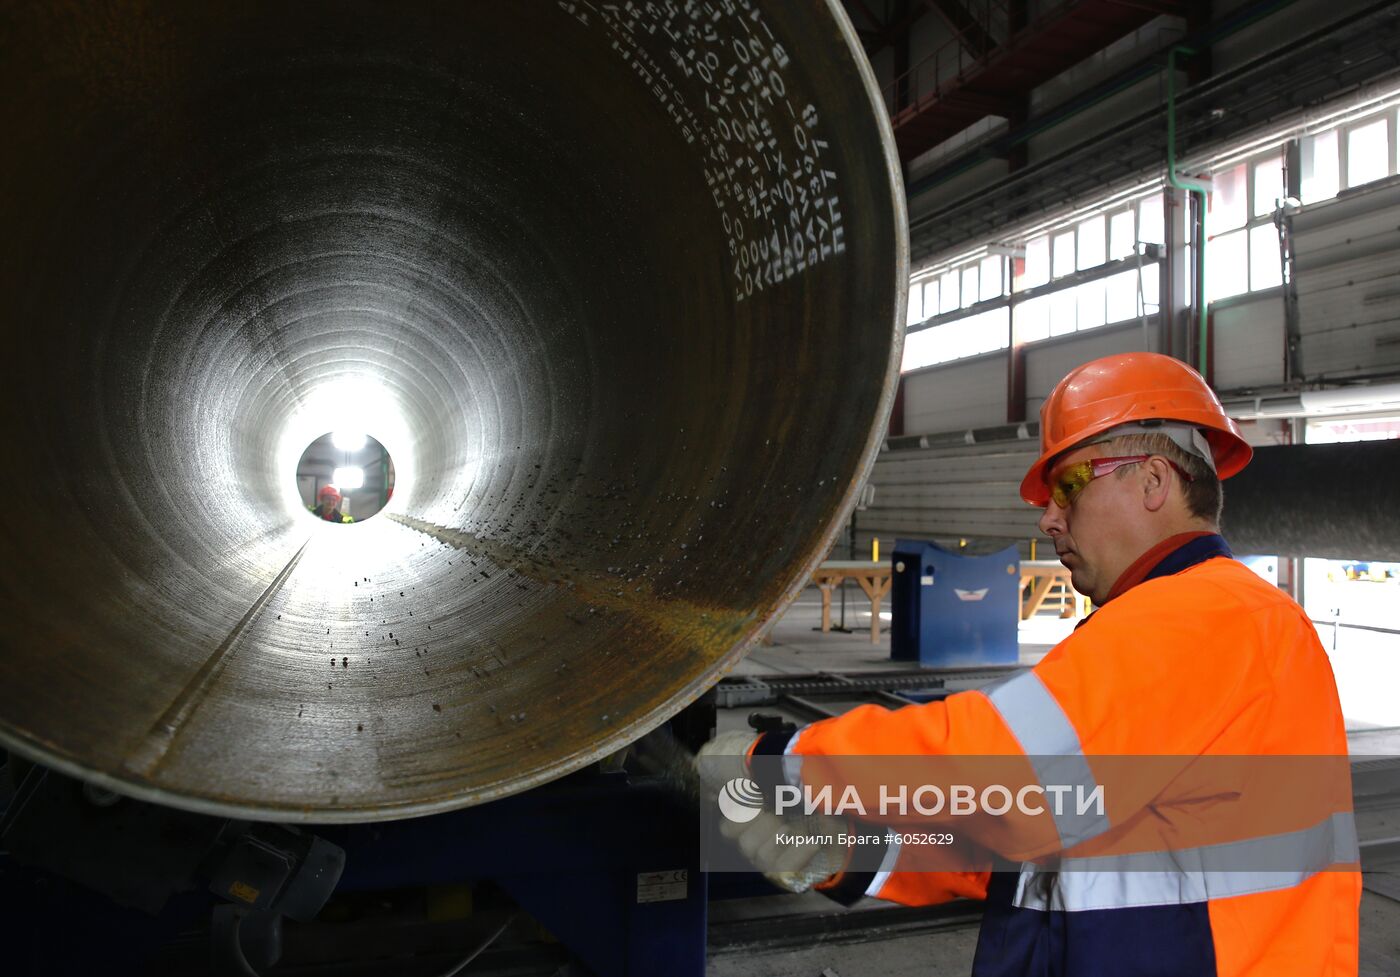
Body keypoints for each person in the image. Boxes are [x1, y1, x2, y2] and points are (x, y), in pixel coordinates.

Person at [699, 352, 1359, 976]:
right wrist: (845, 850)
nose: (1048, 518)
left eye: (1070, 484)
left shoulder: (1212, 616)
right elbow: (1030, 844)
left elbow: (1008, 771)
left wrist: (782, 757)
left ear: (1155, 481)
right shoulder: (1182, 627)